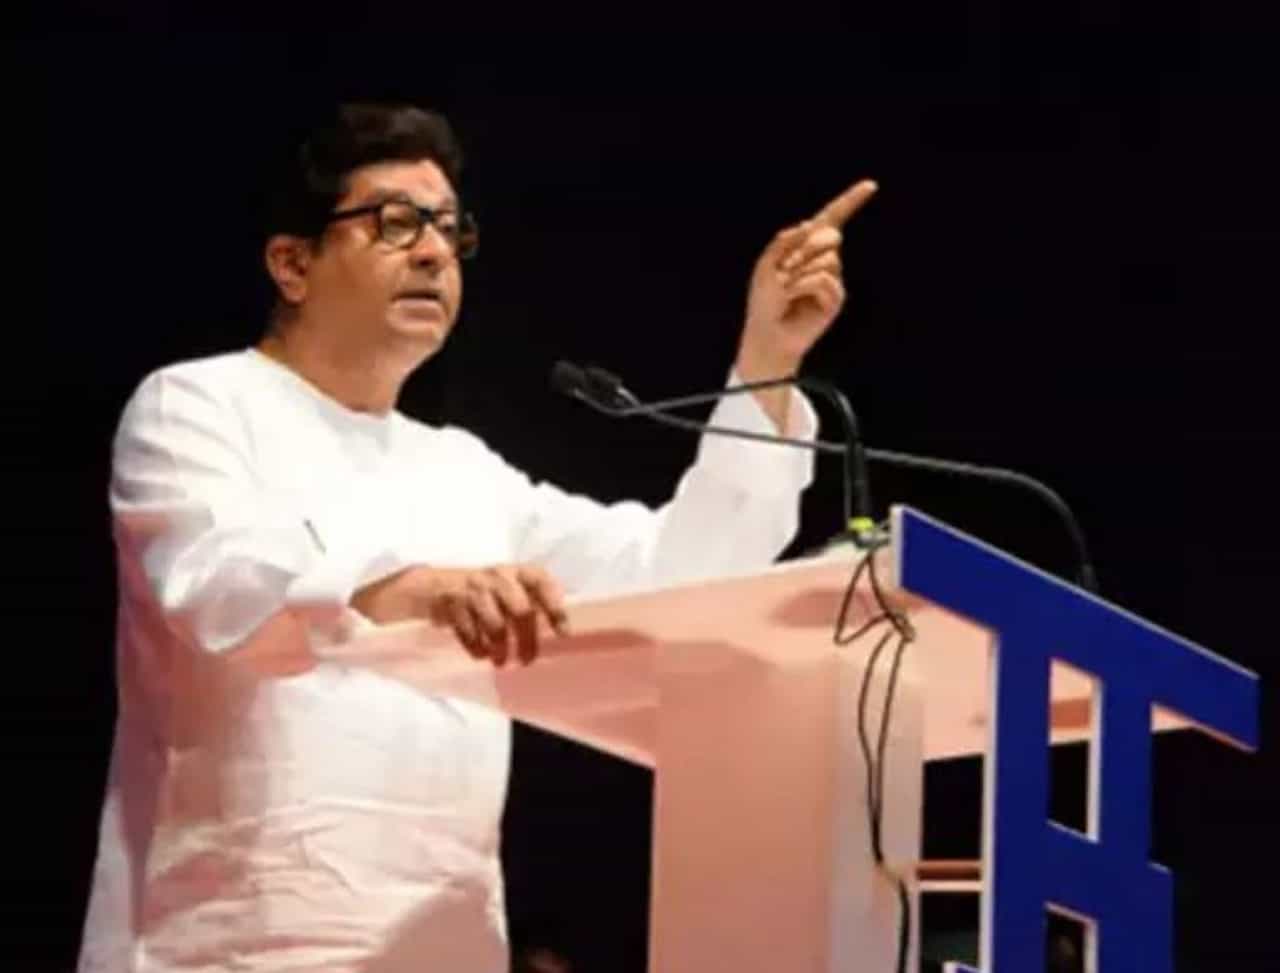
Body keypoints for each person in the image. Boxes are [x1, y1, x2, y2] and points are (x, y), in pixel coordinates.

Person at [76, 102, 877, 973]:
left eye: (449, 230)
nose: (432, 252)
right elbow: (215, 581)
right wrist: (411, 588)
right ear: (293, 263)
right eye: (395, 222)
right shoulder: (195, 405)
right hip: (232, 944)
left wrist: (766, 359)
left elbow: (678, 572)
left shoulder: (460, 468)